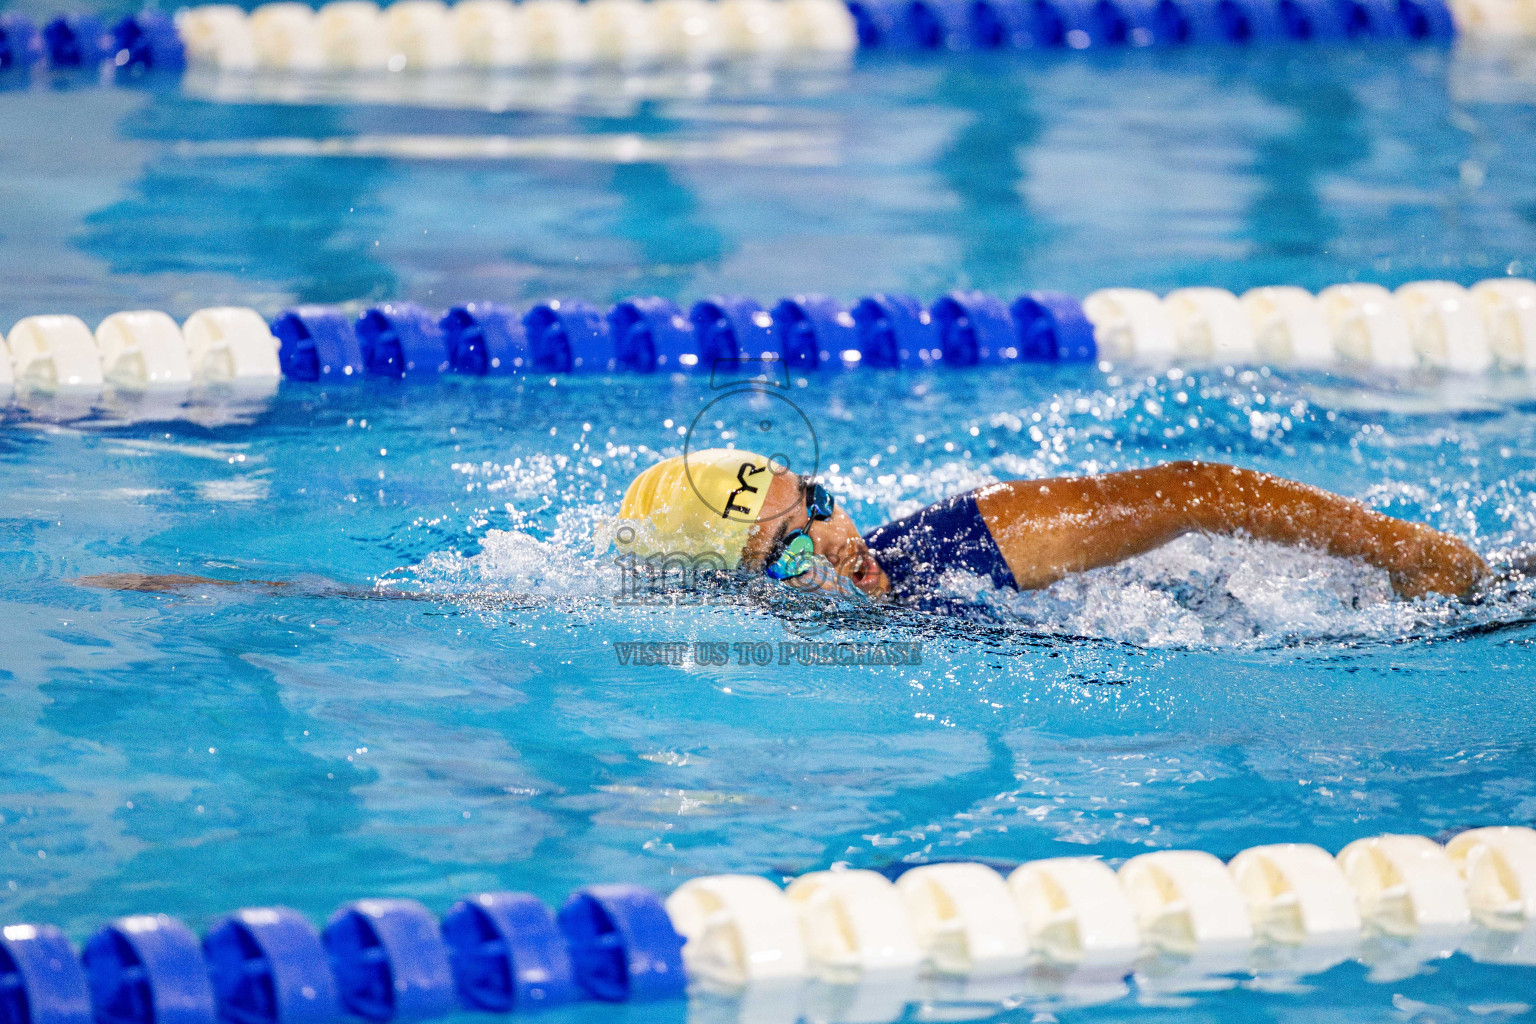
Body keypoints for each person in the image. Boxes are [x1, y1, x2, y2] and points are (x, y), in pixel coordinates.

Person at [617, 448, 1490, 604]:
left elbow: (1196, 489)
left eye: (816, 502)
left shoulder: (949, 548)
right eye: (790, 548)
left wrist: (1415, 554)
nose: (837, 540)